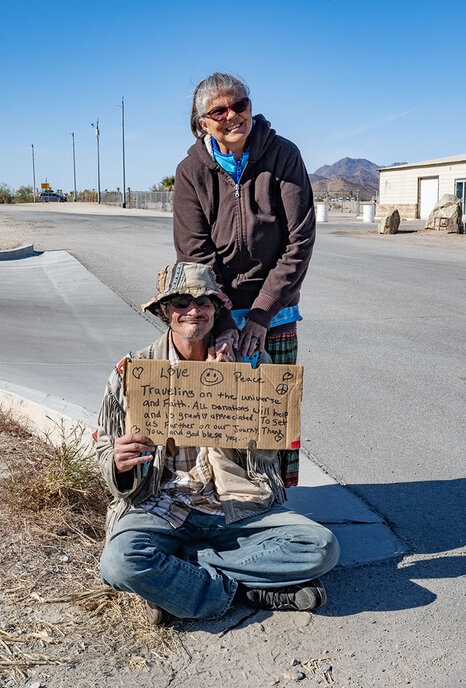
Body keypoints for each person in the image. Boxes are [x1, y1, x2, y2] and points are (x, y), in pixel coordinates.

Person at [98, 262, 339, 623]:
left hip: (234, 507)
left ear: (216, 309)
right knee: (119, 564)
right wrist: (118, 463)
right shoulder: (134, 370)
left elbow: (268, 453)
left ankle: (181, 573)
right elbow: (105, 447)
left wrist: (234, 383)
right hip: (161, 506)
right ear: (165, 311)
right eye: (181, 302)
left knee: (320, 547)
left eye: (204, 302)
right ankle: (243, 591)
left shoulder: (252, 365)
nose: (193, 311)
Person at [173, 72, 316, 489]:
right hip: (213, 310)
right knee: (219, 421)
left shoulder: (283, 155)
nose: (232, 116)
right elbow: (194, 254)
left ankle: (275, 502)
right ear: (202, 122)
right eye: (218, 111)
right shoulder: (190, 171)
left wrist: (260, 315)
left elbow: (299, 240)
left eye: (240, 105)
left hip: (275, 311)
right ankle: (223, 499)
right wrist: (222, 323)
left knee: (272, 417)